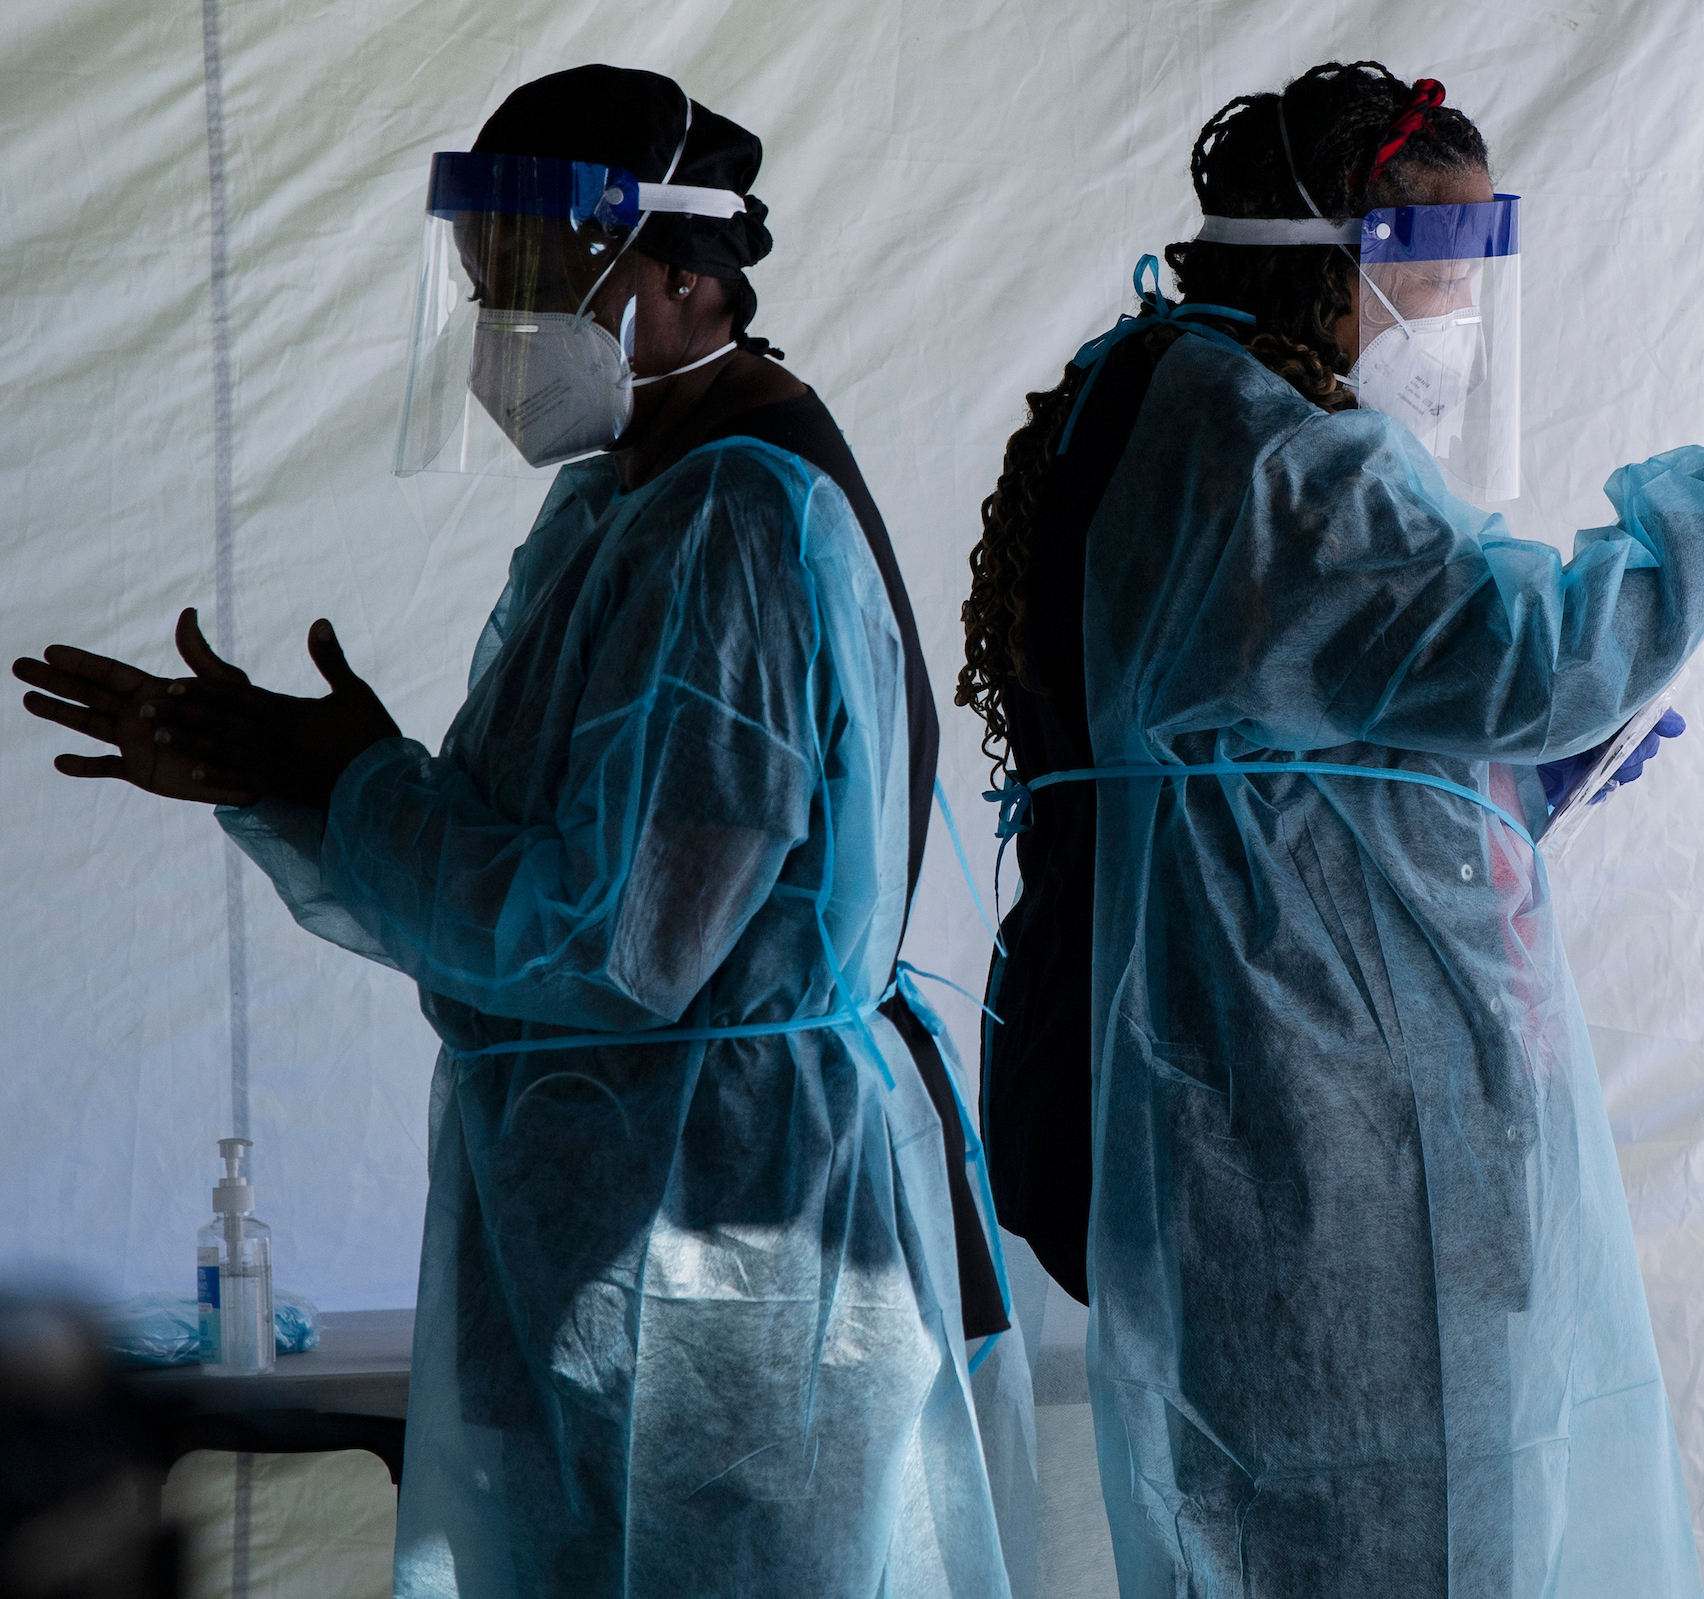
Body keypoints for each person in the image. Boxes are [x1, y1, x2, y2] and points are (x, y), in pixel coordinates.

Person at [15, 65, 1019, 1598]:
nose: (504, 316)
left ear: (688, 277)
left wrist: (349, 781)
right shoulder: (619, 504)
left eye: (542, 267)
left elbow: (611, 940)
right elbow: (508, 860)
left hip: (728, 1248)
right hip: (611, 1236)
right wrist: (285, 770)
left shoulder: (734, 522)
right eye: (487, 270)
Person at [957, 60, 1704, 1598]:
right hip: (1313, 1150)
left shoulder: (1149, 398)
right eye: (1441, 272)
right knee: (1390, 1541)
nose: (1458, 313)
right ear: (1339, 265)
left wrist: (1508, 787)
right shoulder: (1280, 461)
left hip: (1219, 1099)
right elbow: (1542, 651)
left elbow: (1267, 768)